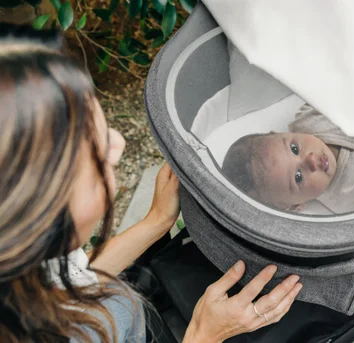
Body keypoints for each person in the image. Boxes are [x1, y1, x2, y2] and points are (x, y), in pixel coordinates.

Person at [0, 23, 302, 343]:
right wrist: (204, 334)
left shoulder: (23, 265)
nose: (116, 144)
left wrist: (156, 221)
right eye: (88, 148)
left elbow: (73, 280)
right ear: (27, 210)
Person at [222, 104, 354, 213]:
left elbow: (345, 88)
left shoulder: (308, 118)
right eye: (298, 177)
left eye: (294, 147)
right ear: (295, 206)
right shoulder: (353, 198)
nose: (309, 161)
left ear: (277, 132)